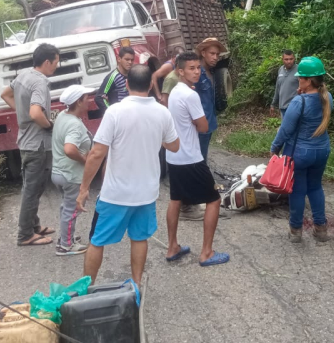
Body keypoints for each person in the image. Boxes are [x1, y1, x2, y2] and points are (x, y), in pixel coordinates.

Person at [76, 65, 180, 285]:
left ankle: (86, 290)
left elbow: (96, 153)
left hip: (116, 193)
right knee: (140, 238)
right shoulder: (162, 112)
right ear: (151, 84)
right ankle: (136, 284)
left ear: (126, 84)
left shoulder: (115, 111)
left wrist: (84, 188)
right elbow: (174, 146)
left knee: (97, 241)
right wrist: (153, 134)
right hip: (146, 192)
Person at [165, 52, 230, 267]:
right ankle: (207, 253)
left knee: (176, 199)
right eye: (191, 68)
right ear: (180, 71)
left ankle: (172, 246)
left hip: (174, 157)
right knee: (213, 200)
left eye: (197, 67)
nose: (196, 71)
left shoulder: (175, 92)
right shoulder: (190, 95)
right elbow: (204, 127)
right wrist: (195, 122)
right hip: (191, 158)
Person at [1, 43, 60, 247]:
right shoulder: (40, 82)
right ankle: (25, 234)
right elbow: (36, 113)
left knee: (34, 187)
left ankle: (34, 226)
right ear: (47, 62)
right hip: (37, 144)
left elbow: (5, 94)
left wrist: (22, 113)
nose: (57, 66)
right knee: (32, 189)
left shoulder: (23, 75)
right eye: (56, 61)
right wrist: (48, 125)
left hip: (27, 141)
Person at [270, 56, 333, 244]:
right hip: (322, 150)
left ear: (308, 80)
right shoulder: (327, 97)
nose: (298, 80)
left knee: (297, 190)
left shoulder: (299, 102)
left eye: (300, 78)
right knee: (315, 187)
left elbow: (286, 129)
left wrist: (275, 148)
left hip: (300, 153)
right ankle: (321, 229)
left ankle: (296, 230)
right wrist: (301, 94)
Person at [51, 84, 95, 256]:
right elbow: (69, 149)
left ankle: (66, 237)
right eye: (86, 98)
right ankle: (66, 246)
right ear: (78, 102)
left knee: (66, 207)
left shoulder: (63, 115)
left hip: (59, 172)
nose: (89, 101)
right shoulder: (74, 125)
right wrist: (85, 160)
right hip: (70, 174)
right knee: (71, 209)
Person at [194, 37, 226, 161]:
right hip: (200, 124)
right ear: (203, 53)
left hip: (210, 122)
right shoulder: (197, 74)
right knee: (199, 158)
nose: (215, 57)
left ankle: (203, 178)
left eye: (217, 54)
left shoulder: (211, 72)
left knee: (203, 155)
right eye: (212, 54)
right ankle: (202, 180)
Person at [95, 46, 134, 113]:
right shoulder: (113, 77)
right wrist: (111, 112)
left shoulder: (134, 74)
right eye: (127, 59)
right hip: (120, 114)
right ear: (119, 59)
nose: (130, 62)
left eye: (132, 60)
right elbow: (99, 98)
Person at [270, 50, 299, 118]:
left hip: (294, 107)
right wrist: (273, 104)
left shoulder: (299, 69)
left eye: (291, 59)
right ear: (282, 59)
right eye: (286, 59)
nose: (289, 61)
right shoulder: (280, 69)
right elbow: (278, 88)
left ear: (294, 58)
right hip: (282, 107)